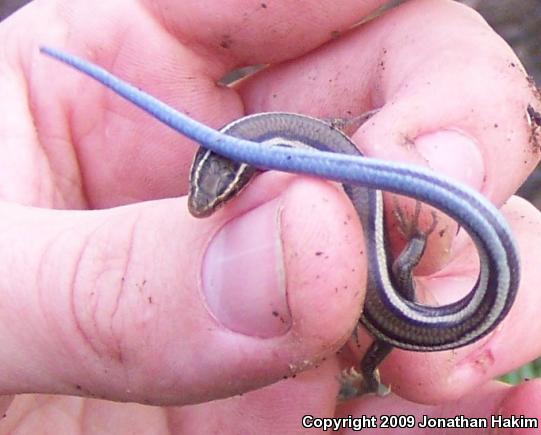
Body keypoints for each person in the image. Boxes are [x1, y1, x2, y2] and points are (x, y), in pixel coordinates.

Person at [0, 0, 539, 432]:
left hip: (401, 301)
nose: (202, 212)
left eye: (215, 198)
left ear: (236, 176)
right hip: (403, 296)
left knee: (392, 268)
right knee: (390, 259)